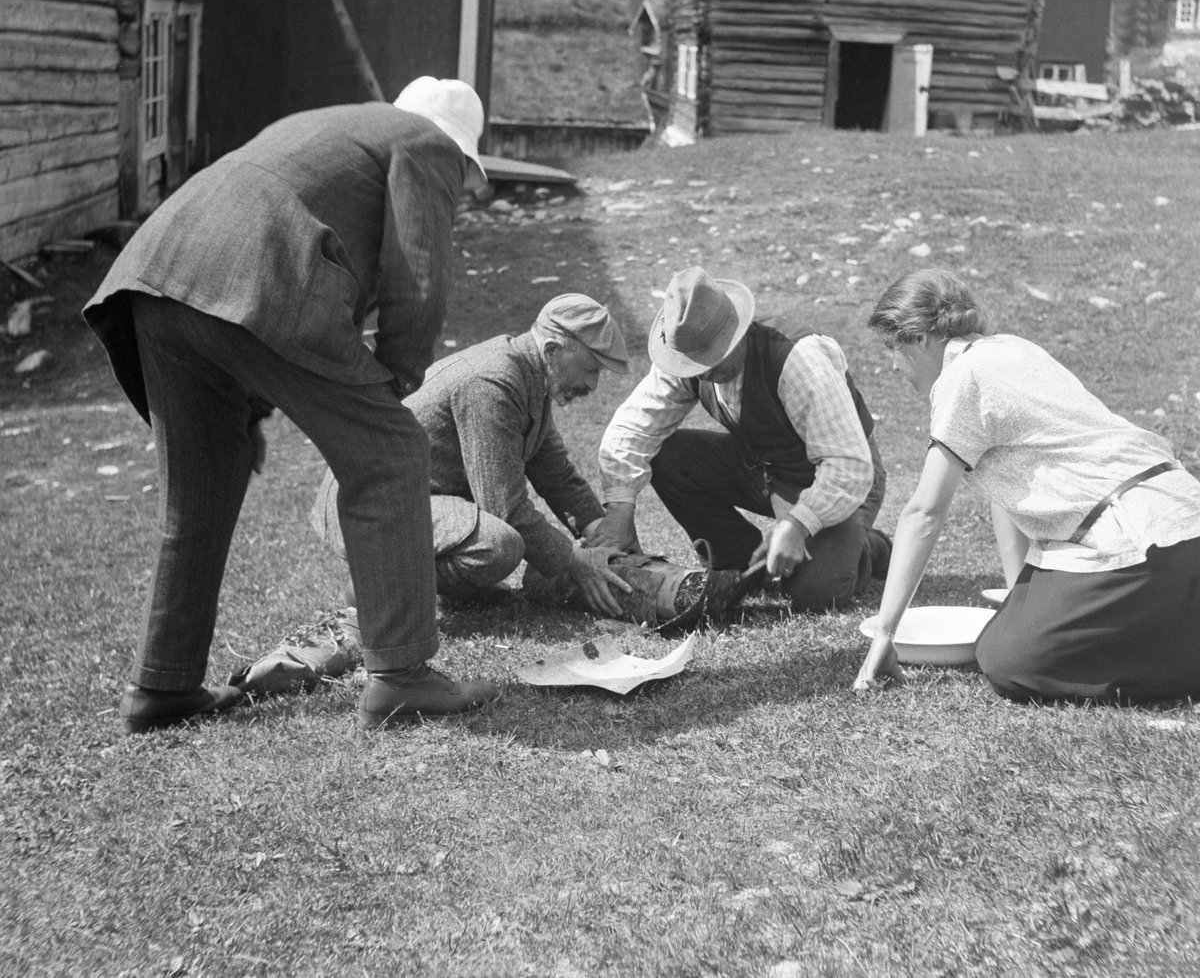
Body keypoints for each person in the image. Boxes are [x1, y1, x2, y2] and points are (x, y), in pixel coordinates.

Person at [83, 76, 502, 734]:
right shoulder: (425, 144)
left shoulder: (340, 125)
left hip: (156, 275)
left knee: (203, 482)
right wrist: (394, 379)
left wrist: (243, 414)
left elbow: (243, 248)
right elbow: (417, 274)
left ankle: (160, 687)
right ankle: (403, 674)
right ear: (461, 147)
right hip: (258, 271)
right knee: (391, 452)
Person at [855, 267, 1200, 702]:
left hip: (1128, 541)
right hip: (1185, 517)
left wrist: (885, 633)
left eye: (893, 347)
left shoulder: (960, 378)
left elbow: (924, 513)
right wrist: (1023, 596)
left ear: (920, 338)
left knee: (1009, 661)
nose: (892, 364)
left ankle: (1182, 665)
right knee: (1011, 633)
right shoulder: (1014, 349)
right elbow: (1009, 485)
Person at [310, 294, 634, 618]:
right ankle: (378, 585)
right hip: (371, 503)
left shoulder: (529, 377)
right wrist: (575, 561)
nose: (592, 384)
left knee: (498, 542)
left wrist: (600, 533)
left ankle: (453, 589)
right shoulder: (492, 382)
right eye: (590, 369)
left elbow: (555, 474)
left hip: (410, 498)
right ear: (551, 350)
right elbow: (505, 508)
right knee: (499, 544)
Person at [590, 266, 890, 612]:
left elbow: (848, 465)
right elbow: (633, 427)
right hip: (766, 470)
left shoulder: (799, 358)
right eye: (694, 363)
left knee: (815, 592)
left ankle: (870, 546)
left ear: (739, 330)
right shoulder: (686, 350)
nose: (703, 372)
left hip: (843, 477)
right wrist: (619, 509)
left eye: (713, 356)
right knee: (667, 455)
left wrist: (799, 524)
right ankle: (736, 560)